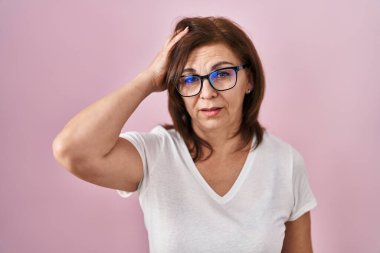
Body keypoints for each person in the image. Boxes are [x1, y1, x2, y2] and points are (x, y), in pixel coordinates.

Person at [53, 16, 317, 253]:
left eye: (222, 74)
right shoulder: (155, 155)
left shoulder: (285, 163)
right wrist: (149, 79)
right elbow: (71, 149)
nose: (207, 93)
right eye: (189, 79)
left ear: (249, 80)